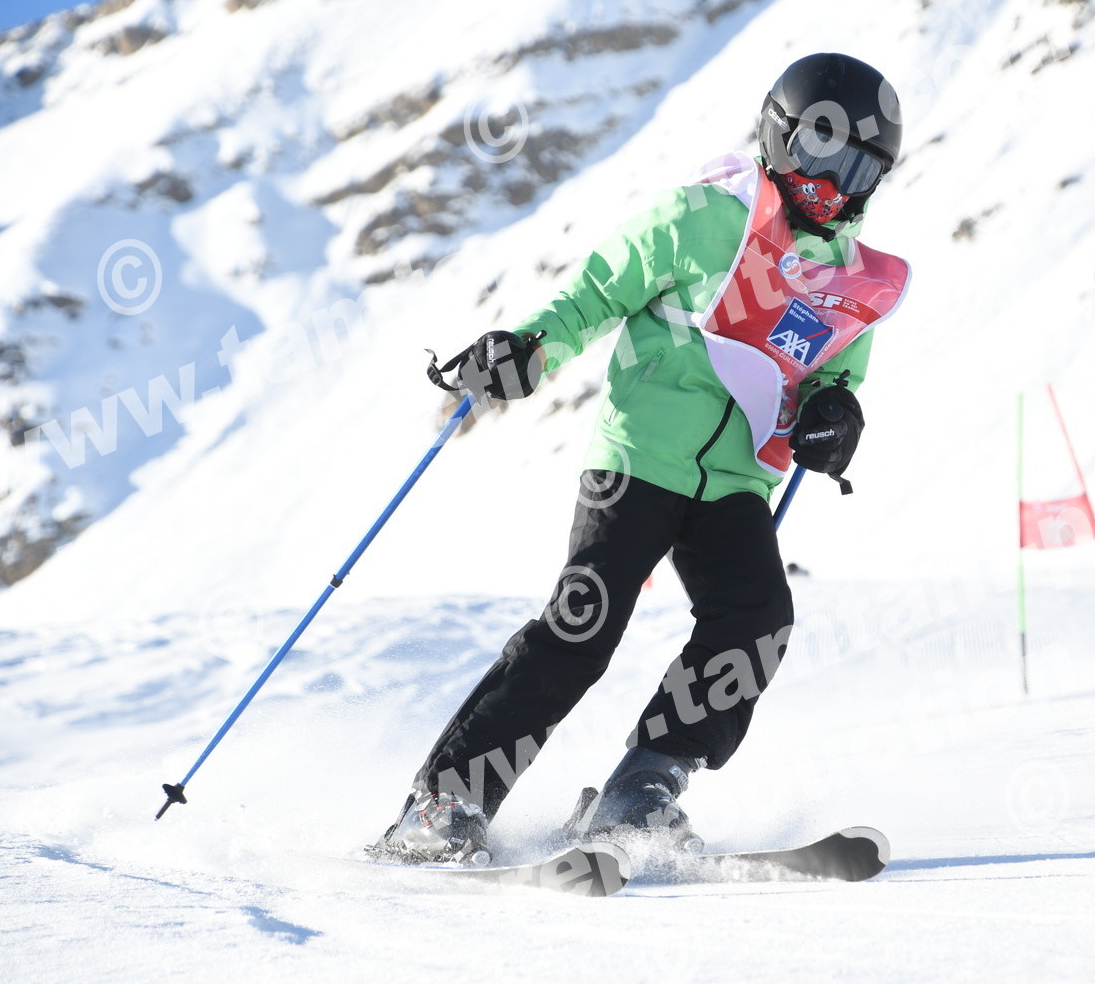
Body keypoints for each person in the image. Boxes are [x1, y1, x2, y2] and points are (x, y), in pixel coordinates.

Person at [377, 53, 911, 864]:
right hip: (638, 459)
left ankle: (643, 786)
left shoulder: (850, 284)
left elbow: (835, 374)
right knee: (582, 628)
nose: (832, 184)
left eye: (858, 169)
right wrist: (531, 348)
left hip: (735, 481)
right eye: (820, 150)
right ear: (779, 134)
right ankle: (444, 804)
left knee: (756, 621)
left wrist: (835, 413)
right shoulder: (703, 218)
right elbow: (598, 292)